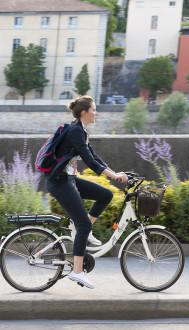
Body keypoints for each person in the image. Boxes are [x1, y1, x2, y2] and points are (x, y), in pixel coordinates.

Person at [45, 95, 128, 289]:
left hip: (69, 180)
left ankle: (84, 228)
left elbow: (94, 157)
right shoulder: (75, 132)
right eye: (94, 110)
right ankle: (77, 272)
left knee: (105, 195)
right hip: (59, 182)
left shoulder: (81, 131)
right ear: (84, 113)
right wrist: (114, 176)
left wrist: (114, 173)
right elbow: (89, 162)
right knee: (83, 226)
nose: (96, 113)